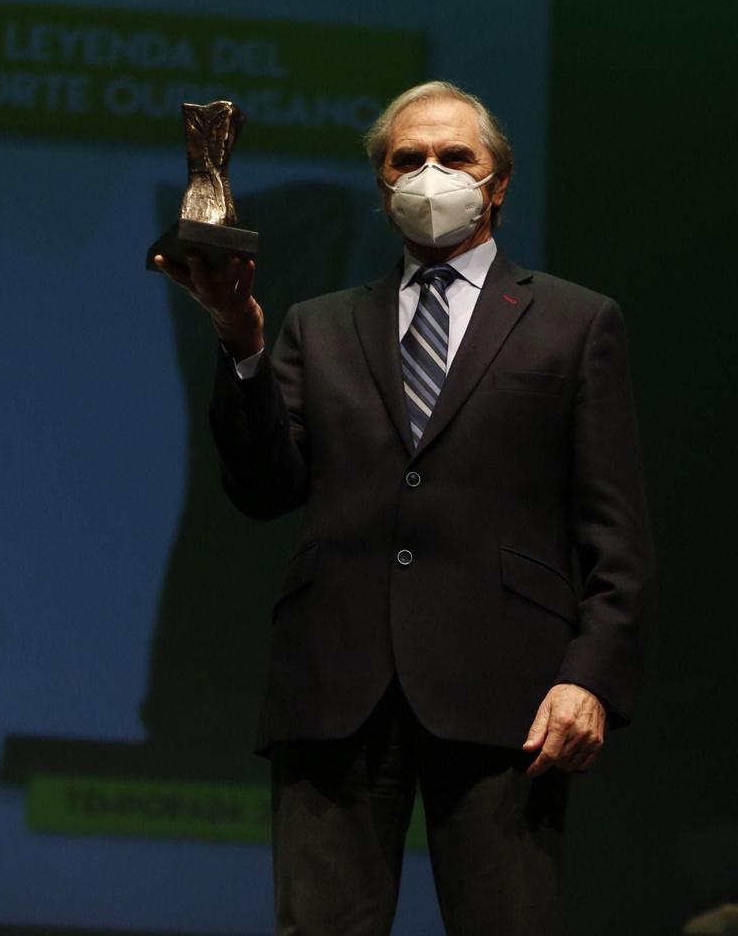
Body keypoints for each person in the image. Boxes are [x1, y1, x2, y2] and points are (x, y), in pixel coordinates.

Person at [155, 80, 656, 935]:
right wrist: (241, 340)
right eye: (406, 160)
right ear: (383, 192)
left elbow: (618, 536)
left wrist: (588, 679)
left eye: (454, 157)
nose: (431, 174)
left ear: (497, 183)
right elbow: (264, 489)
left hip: (509, 693)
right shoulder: (320, 326)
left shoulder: (574, 323)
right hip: (335, 683)